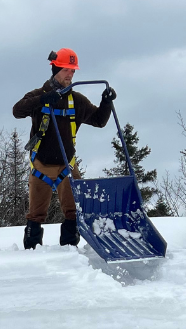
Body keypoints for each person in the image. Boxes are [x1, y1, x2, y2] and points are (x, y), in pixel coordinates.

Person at [12, 48, 116, 249]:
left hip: (67, 166)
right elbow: (17, 111)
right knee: (35, 214)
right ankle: (31, 252)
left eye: (73, 71)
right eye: (67, 70)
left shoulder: (76, 100)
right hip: (41, 164)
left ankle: (69, 251)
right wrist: (43, 100)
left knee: (74, 211)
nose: (71, 74)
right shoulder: (38, 95)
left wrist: (106, 103)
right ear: (56, 68)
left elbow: (99, 120)